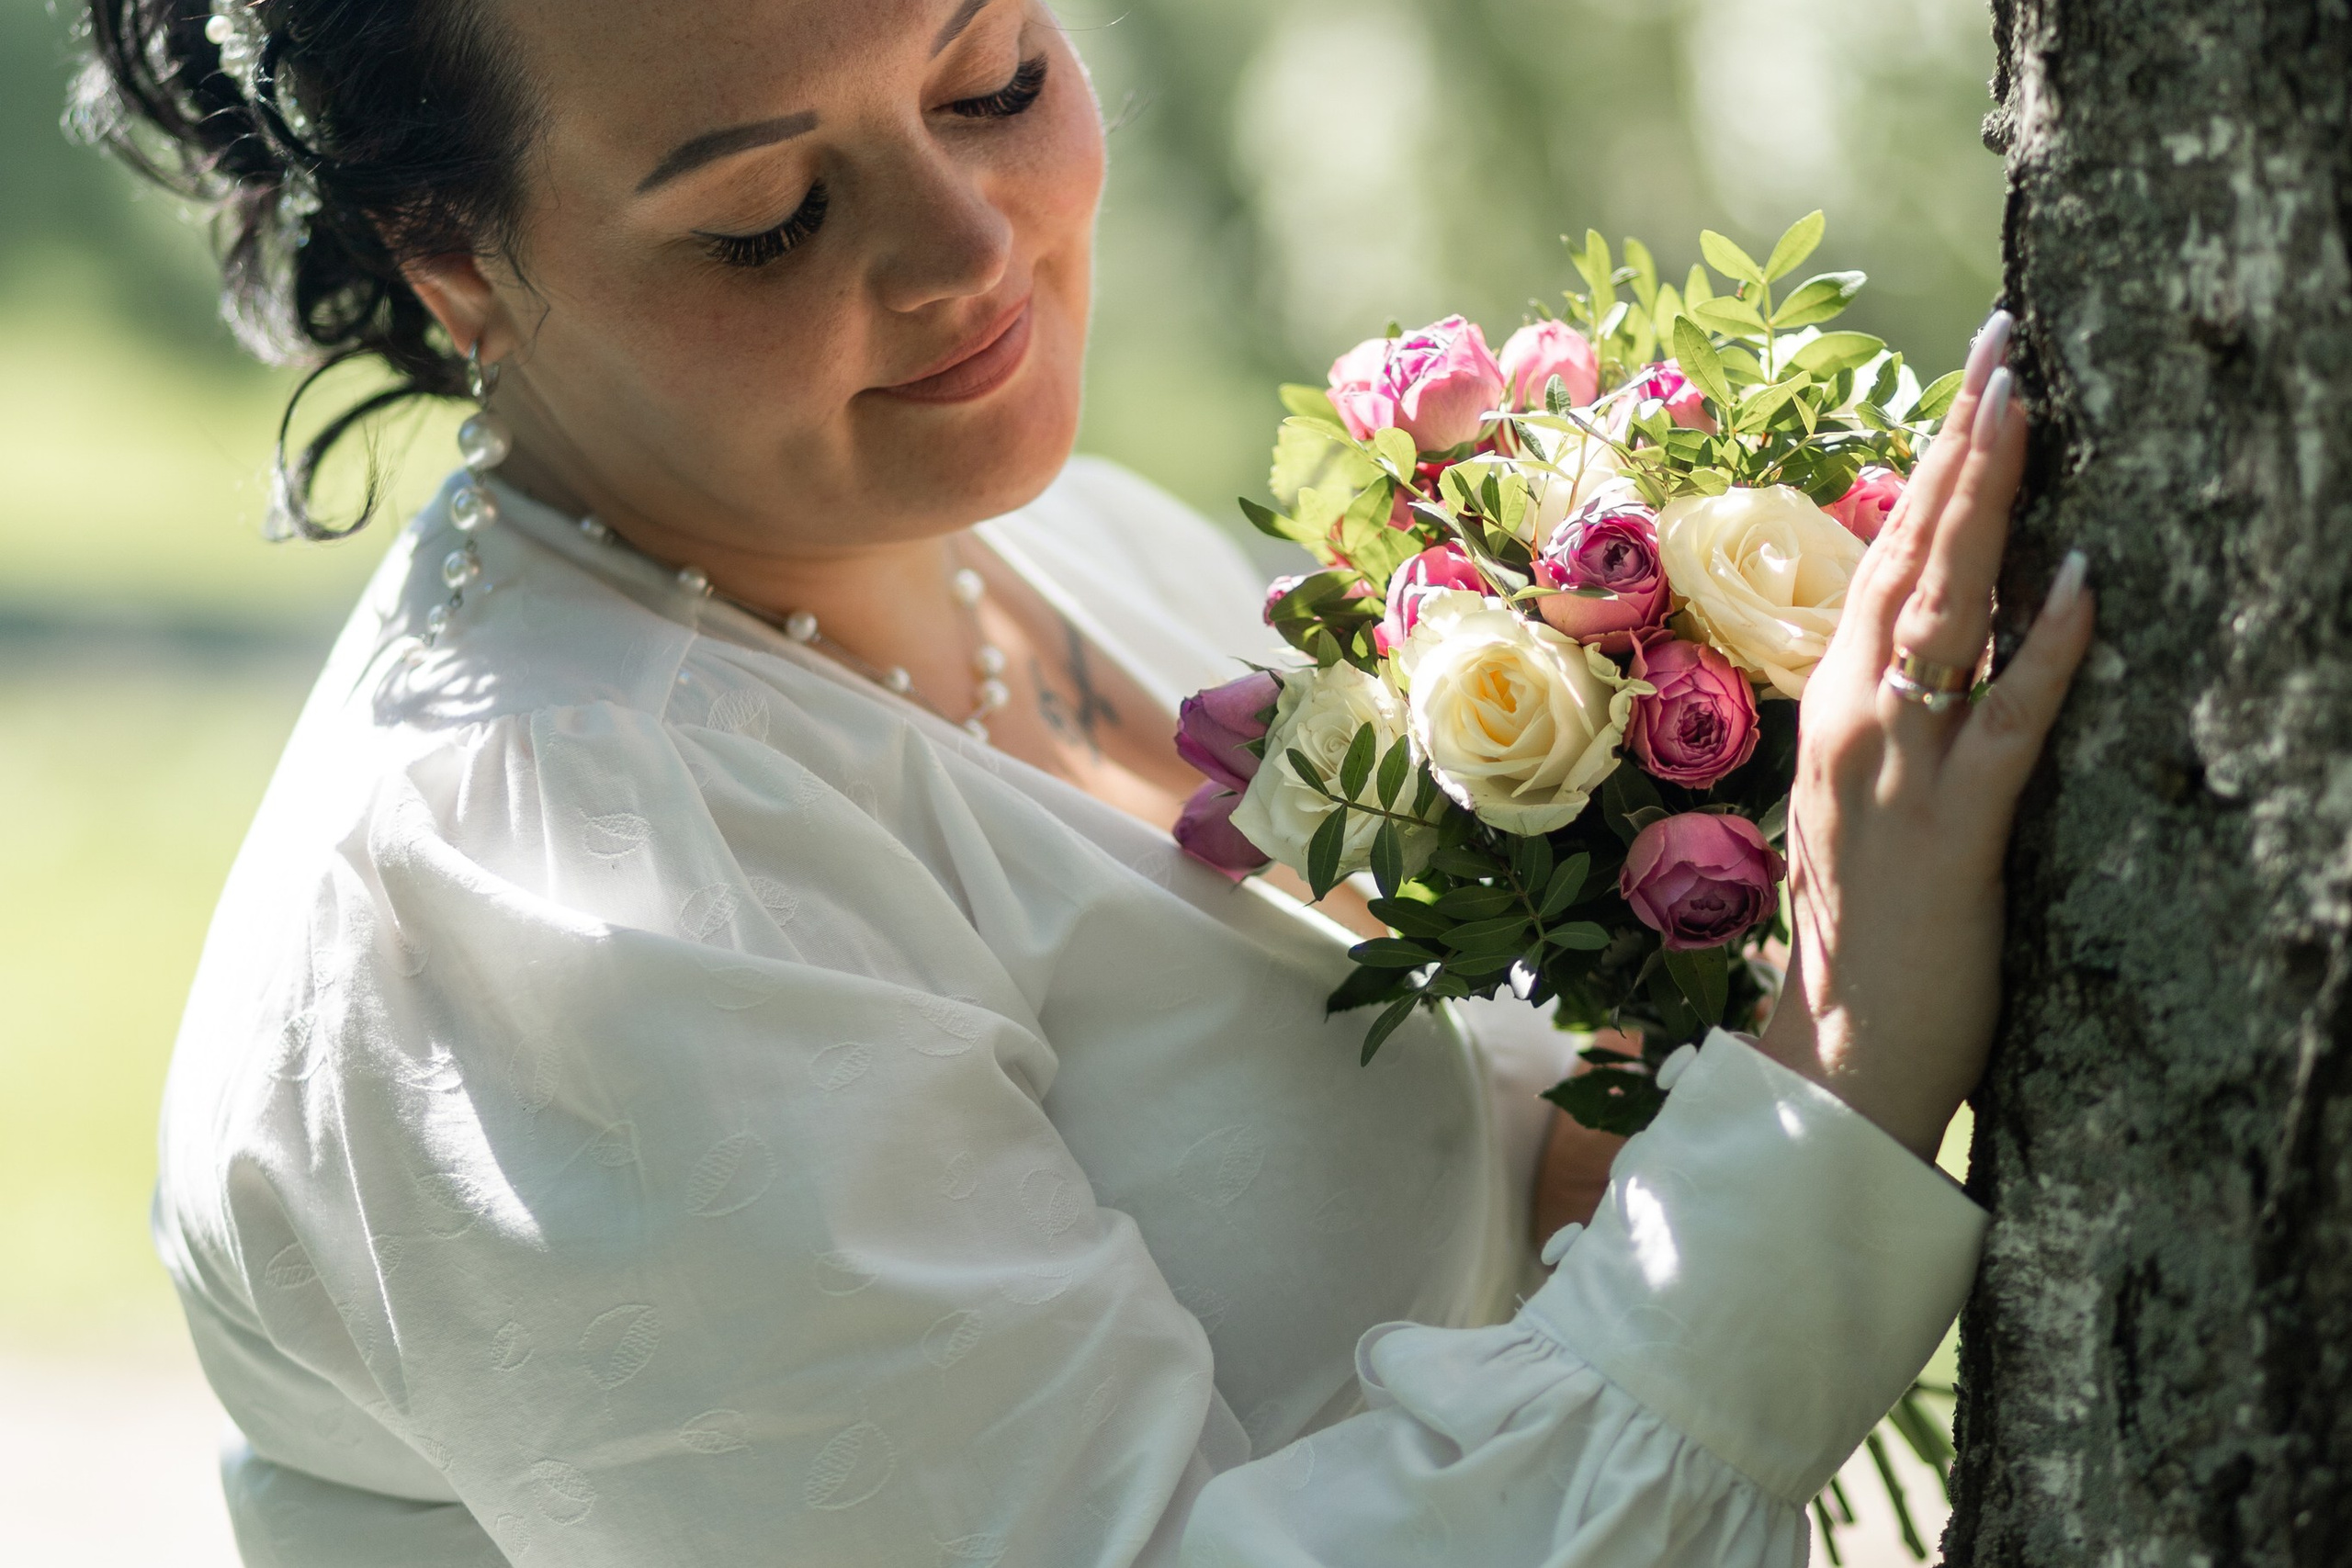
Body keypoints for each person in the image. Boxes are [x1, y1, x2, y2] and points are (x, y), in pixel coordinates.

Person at [85, 0, 2096, 1562]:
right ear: (451, 266)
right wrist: (1834, 1072)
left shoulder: (1061, 542)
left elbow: (1427, 1260)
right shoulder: (535, 904)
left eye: (989, 80)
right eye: (766, 218)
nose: (968, 251)